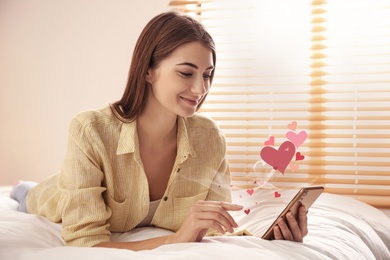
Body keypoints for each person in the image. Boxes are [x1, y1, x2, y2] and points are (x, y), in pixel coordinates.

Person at [10, 10, 308, 250]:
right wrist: (173, 240)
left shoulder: (210, 138)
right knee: (30, 195)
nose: (200, 88)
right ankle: (22, 188)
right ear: (148, 71)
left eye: (207, 75)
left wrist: (273, 238)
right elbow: (86, 243)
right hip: (53, 196)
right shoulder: (91, 130)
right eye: (186, 72)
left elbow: (216, 227)